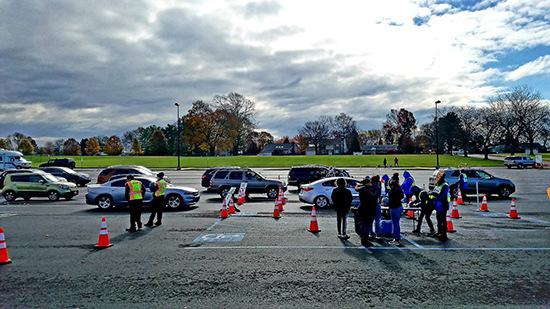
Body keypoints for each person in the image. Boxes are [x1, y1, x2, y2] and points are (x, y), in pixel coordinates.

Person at [355, 176, 375, 246]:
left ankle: (363, 238)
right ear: (367, 183)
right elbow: (370, 201)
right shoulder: (367, 191)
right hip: (367, 210)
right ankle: (365, 240)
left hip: (363, 210)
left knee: (363, 225)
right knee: (366, 225)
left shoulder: (362, 190)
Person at [431, 172, 450, 241]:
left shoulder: (445, 185)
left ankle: (443, 233)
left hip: (443, 205)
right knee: (438, 218)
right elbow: (435, 192)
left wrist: (435, 195)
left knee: (443, 219)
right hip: (437, 205)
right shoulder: (438, 185)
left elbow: (442, 195)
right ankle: (439, 231)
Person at [388, 174, 404, 245]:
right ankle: (397, 238)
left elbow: (392, 198)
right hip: (399, 206)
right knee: (396, 223)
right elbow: (402, 196)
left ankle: (397, 239)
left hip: (394, 207)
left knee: (395, 224)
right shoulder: (399, 188)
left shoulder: (393, 189)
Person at [371, 175, 383, 240]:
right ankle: (377, 233)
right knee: (377, 220)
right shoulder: (378, 188)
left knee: (370, 220)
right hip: (376, 203)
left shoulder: (369, 187)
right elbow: (377, 195)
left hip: (370, 204)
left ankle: (370, 232)